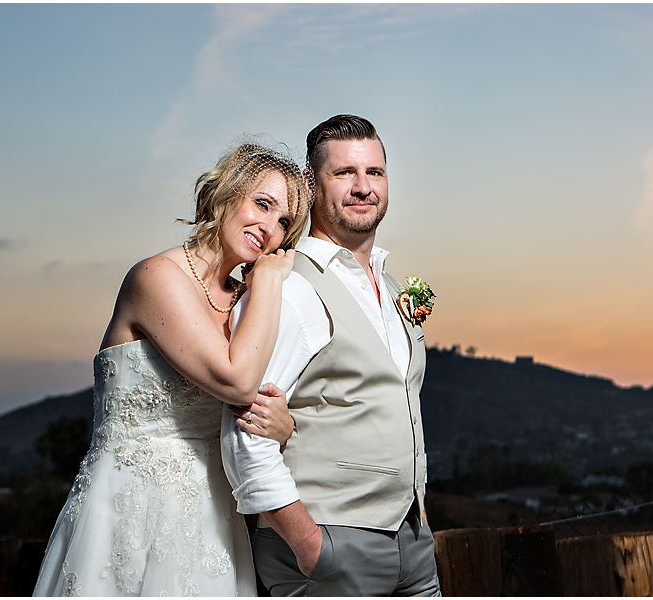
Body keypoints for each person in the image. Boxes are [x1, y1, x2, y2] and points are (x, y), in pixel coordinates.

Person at [33, 142, 311, 597]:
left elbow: (259, 402)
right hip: (129, 509)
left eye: (284, 222)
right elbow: (237, 380)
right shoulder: (156, 277)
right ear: (226, 193)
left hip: (215, 520)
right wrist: (271, 282)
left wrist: (283, 425)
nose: (270, 228)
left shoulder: (248, 302)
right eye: (262, 204)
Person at [221, 115, 441, 596]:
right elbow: (245, 433)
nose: (363, 187)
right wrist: (308, 544)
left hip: (413, 541)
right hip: (327, 549)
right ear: (310, 183)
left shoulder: (392, 285)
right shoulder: (288, 287)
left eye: (375, 173)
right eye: (344, 173)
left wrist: (417, 511)